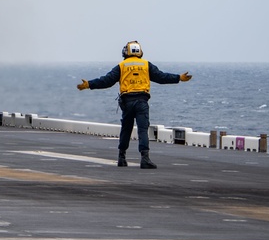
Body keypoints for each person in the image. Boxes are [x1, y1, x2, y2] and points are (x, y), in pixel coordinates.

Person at [77, 41, 191, 169]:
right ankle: (145, 158)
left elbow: (106, 81)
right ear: (140, 52)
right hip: (142, 101)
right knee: (143, 129)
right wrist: (179, 78)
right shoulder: (146, 65)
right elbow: (161, 77)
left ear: (126, 51)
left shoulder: (122, 66)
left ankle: (121, 157)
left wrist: (89, 84)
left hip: (127, 102)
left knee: (126, 128)